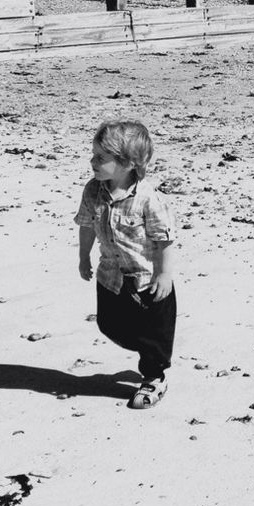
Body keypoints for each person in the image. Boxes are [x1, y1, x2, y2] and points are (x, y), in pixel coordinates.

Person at [75, 120, 178, 409]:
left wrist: (164, 275)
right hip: (110, 276)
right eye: (93, 155)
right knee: (109, 325)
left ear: (127, 163)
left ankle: (154, 377)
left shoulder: (148, 200)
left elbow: (164, 240)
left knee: (153, 337)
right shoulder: (93, 191)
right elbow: (86, 226)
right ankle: (145, 352)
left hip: (148, 281)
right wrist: (84, 256)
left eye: (100, 158)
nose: (92, 161)